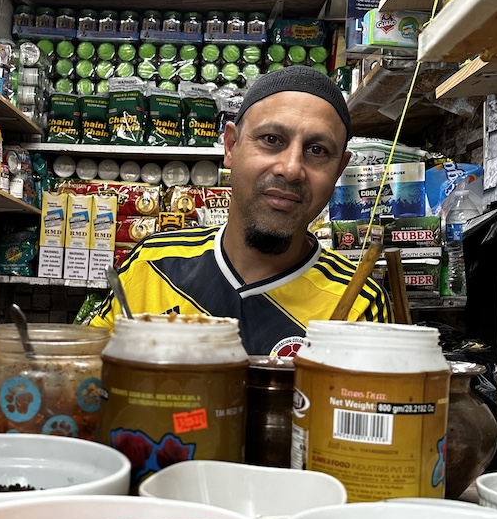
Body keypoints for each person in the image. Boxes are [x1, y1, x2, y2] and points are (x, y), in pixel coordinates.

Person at [90, 65, 391, 356]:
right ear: (231, 146)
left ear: (339, 169)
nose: (291, 168)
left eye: (317, 150)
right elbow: (81, 382)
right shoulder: (153, 265)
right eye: (272, 140)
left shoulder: (359, 301)